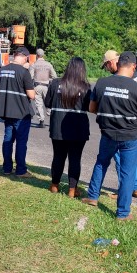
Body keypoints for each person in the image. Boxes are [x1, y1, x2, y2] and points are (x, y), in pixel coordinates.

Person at [82, 51, 137, 221]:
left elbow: (92, 108)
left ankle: (92, 197)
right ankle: (122, 213)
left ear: (118, 64)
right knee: (128, 172)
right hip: (130, 135)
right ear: (134, 66)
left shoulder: (102, 83)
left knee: (101, 162)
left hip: (108, 133)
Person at [44, 57, 91, 198]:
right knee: (75, 158)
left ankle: (54, 185)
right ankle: (72, 190)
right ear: (82, 70)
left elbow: (47, 103)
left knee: (58, 156)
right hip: (78, 127)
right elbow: (90, 107)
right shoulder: (86, 87)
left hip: (58, 126)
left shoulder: (55, 83)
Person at [101, 50, 137, 198]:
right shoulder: (135, 75)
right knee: (130, 159)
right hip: (134, 121)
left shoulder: (122, 76)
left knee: (120, 158)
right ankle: (136, 186)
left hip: (123, 124)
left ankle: (125, 191)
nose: (107, 69)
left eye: (106, 65)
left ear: (112, 62)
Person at [0, 46, 36, 177]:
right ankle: (21, 170)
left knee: (7, 140)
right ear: (25, 57)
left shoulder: (1, 70)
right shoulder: (24, 72)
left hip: (7, 111)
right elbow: (32, 95)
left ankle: (7, 168)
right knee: (21, 142)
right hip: (21, 113)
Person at [30, 48, 58, 128]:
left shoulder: (34, 65)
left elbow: (30, 77)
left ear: (37, 55)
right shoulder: (48, 64)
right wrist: (49, 81)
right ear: (43, 55)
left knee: (39, 104)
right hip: (47, 87)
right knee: (49, 103)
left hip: (37, 86)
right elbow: (54, 76)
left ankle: (41, 120)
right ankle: (52, 118)